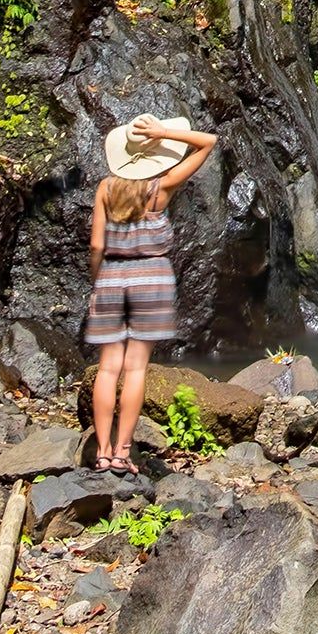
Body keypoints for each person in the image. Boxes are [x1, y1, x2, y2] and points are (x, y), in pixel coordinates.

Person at [87, 113, 218, 473]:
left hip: (112, 274)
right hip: (153, 278)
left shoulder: (105, 189)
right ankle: (123, 453)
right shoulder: (161, 187)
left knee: (108, 367)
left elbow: (97, 244)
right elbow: (208, 141)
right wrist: (164, 132)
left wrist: (98, 280)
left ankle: (101, 451)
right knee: (136, 368)